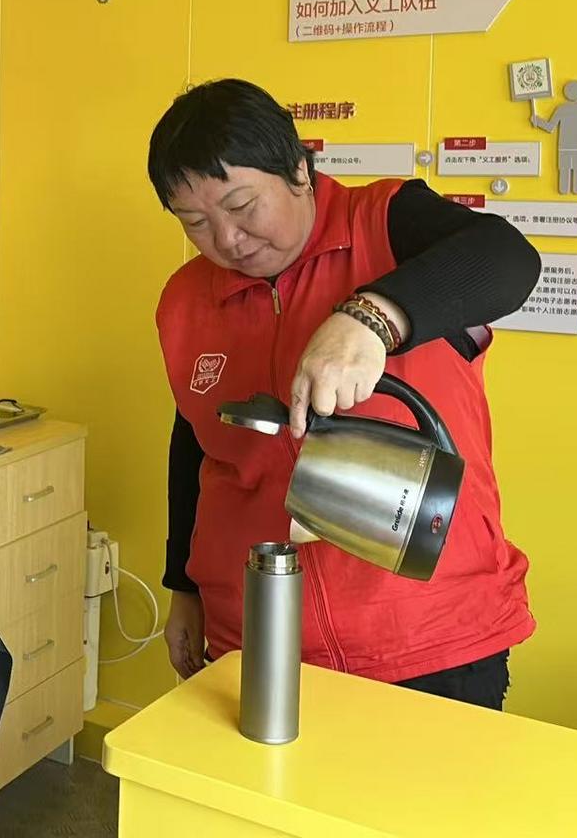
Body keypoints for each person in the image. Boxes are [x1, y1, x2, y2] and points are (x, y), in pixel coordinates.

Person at [149, 79, 540, 709]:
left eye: (242, 206)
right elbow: (196, 447)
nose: (227, 239)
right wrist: (183, 587)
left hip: (431, 636)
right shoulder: (185, 300)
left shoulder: (385, 223)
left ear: (299, 171)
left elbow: (508, 258)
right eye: (195, 222)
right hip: (259, 635)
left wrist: (373, 318)